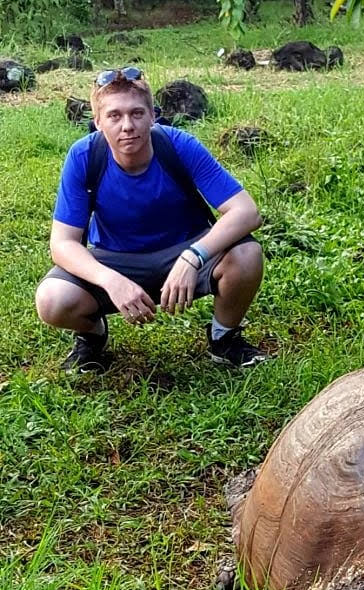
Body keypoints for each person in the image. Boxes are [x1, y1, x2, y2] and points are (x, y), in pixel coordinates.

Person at [35, 67, 268, 373]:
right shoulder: (83, 157)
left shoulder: (178, 145)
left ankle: (224, 338)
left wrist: (193, 257)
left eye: (136, 113)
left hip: (185, 251)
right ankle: (92, 337)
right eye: (114, 116)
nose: (127, 126)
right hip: (115, 259)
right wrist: (110, 280)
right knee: (52, 299)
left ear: (153, 116)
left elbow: (246, 211)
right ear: (98, 122)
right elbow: (62, 243)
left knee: (248, 255)